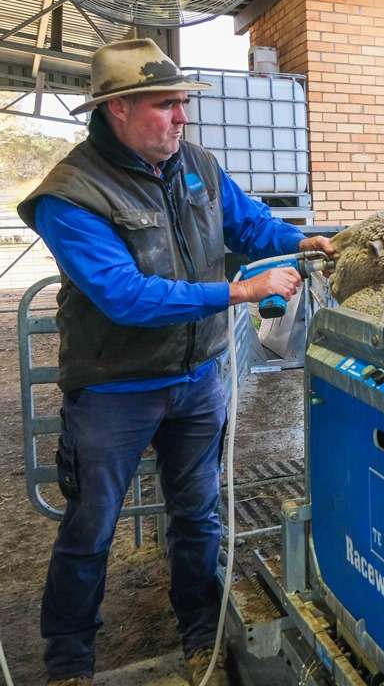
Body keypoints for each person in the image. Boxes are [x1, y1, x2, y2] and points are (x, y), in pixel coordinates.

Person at [16, 38, 336, 686]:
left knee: (198, 516)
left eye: (183, 104)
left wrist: (305, 240)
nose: (182, 118)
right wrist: (242, 290)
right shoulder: (70, 196)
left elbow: (247, 227)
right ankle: (69, 663)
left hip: (197, 381)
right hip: (114, 391)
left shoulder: (196, 164)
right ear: (118, 111)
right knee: (91, 526)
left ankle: (200, 635)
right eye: (167, 106)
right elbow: (126, 297)